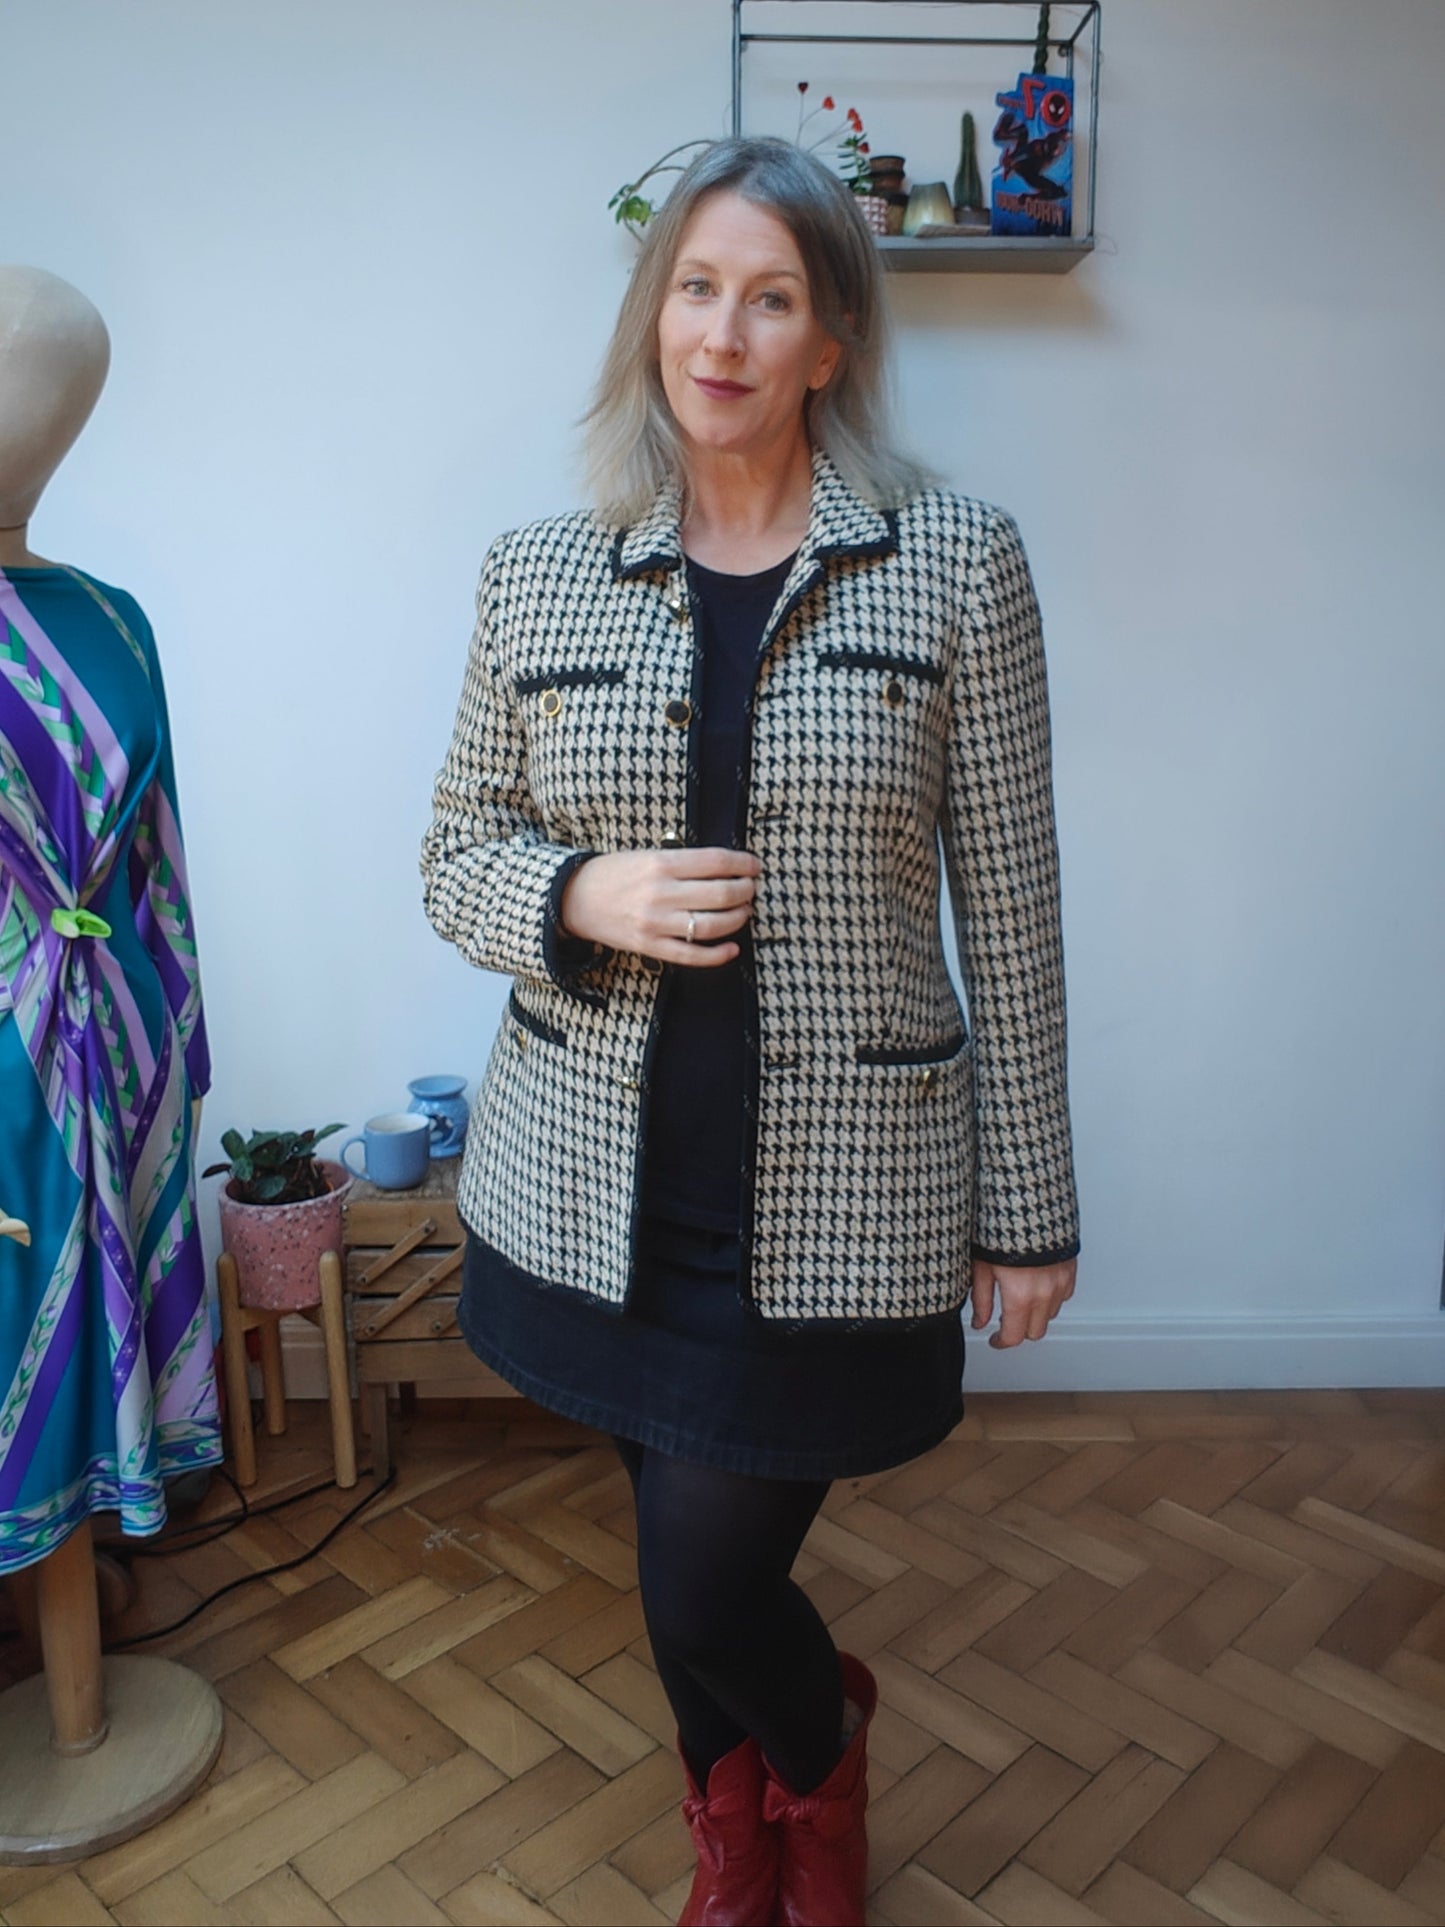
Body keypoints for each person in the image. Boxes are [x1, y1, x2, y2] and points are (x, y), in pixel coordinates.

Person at [421, 136, 1078, 1927]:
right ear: (654, 319)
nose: (722, 334)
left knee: (708, 1580)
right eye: (695, 290)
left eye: (769, 298)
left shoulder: (954, 563)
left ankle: (818, 1769)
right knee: (675, 1564)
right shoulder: (538, 570)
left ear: (829, 339)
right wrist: (580, 892)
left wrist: (1029, 1208)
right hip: (588, 1196)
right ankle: (743, 1830)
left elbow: (1011, 906)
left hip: (835, 1202)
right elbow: (455, 853)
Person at [0, 265, 219, 1573]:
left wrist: (178, 1050)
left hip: (112, 1041)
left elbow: (159, 862)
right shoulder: (113, 626)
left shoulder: (115, 623)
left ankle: (83, 1589)